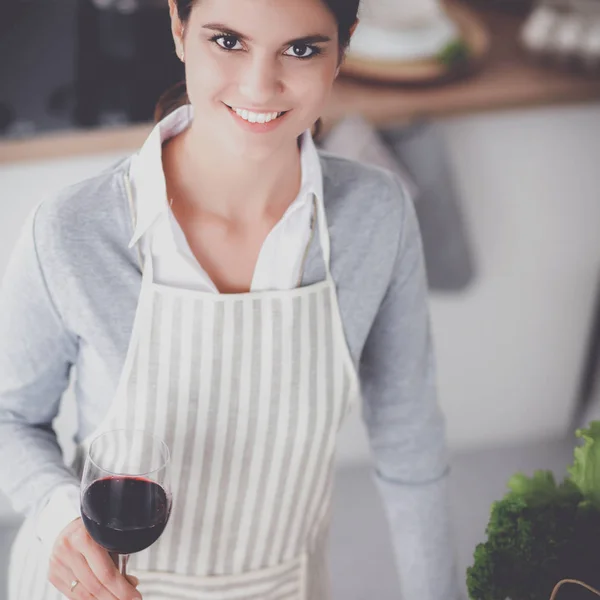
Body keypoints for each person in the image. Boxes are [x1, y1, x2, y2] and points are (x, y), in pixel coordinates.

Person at [0, 0, 461, 598]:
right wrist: (60, 514)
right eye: (228, 42)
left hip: (279, 585)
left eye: (300, 49)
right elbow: (10, 418)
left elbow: (410, 444)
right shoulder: (73, 229)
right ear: (178, 27)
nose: (259, 85)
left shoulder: (378, 217)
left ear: (343, 46)